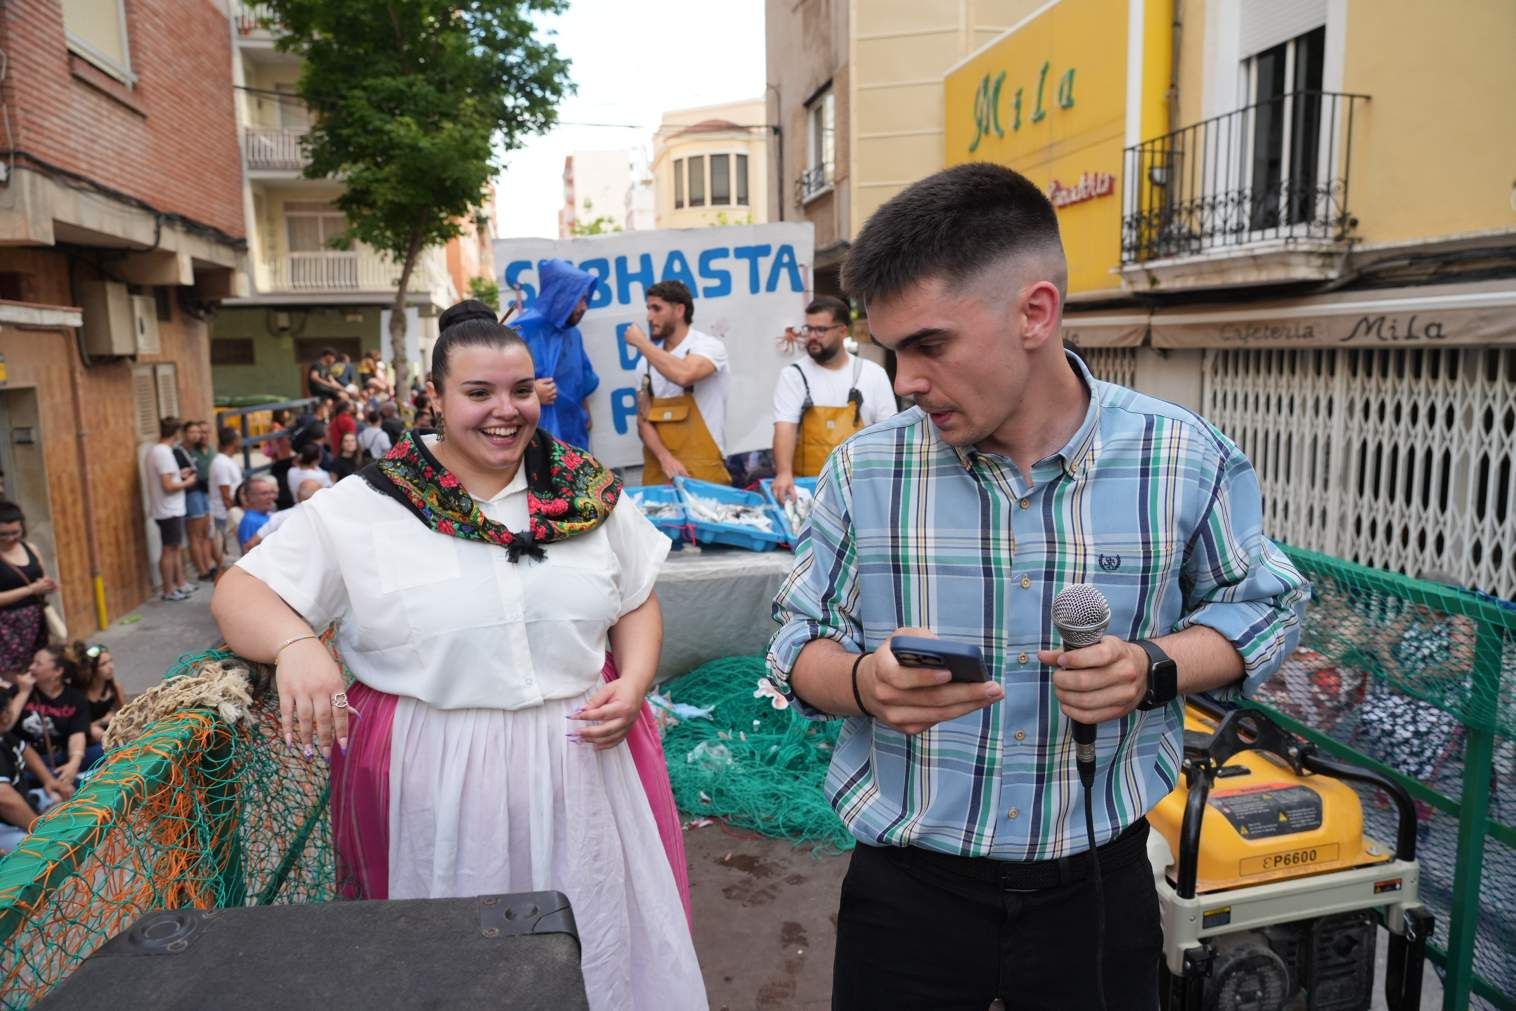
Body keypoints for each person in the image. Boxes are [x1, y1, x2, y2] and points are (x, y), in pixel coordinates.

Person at [764, 163, 1310, 1010]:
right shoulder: (865, 471)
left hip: (1099, 886)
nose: (905, 380)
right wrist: (865, 685)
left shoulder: (1181, 456)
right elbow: (794, 639)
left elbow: (1268, 602)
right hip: (907, 896)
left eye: (930, 345)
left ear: (1035, 312)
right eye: (893, 350)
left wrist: (1154, 666)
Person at [213, 300, 705, 1010]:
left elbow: (634, 599)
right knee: (451, 962)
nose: (505, 410)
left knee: (601, 945)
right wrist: (295, 644)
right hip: (438, 778)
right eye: (478, 392)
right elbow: (240, 590)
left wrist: (634, 680)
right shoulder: (367, 505)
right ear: (436, 399)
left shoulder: (584, 490)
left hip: (584, 767)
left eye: (521, 389)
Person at [770, 295, 899, 504]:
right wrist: (784, 473)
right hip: (806, 491)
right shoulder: (793, 375)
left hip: (861, 489)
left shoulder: (872, 374)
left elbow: (889, 434)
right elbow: (785, 426)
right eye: (808, 329)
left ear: (842, 331)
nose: (812, 336)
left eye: (820, 330)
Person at [624, 280, 732, 486]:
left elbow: (684, 374)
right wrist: (665, 458)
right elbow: (643, 421)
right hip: (660, 472)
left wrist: (641, 343)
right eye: (648, 309)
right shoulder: (644, 365)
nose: (649, 317)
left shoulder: (708, 346)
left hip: (703, 472)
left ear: (680, 310)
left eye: (657, 308)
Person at [511, 258, 601, 450]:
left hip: (573, 430)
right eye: (580, 299)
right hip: (536, 435)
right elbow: (496, 384)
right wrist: (531, 391)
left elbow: (581, 379)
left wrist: (586, 412)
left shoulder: (572, 333)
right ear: (561, 297)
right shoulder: (522, 331)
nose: (585, 307)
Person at [17, 645, 89, 799]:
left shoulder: (75, 698)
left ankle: (68, 781)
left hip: (61, 757)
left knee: (108, 750)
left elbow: (77, 735)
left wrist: (73, 764)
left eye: (38, 664)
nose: (31, 667)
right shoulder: (20, 691)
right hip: (29, 763)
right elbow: (6, 724)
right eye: (32, 662)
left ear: (57, 672)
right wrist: (23, 692)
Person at [0, 502, 57, 676]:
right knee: (13, 676)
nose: (10, 538)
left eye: (15, 533)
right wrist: (31, 589)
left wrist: (47, 586)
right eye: (3, 534)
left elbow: (40, 578)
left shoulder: (31, 548)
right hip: (6, 627)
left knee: (39, 670)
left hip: (35, 621)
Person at [147, 416, 198, 602]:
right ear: (176, 433)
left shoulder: (160, 451)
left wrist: (180, 474)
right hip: (168, 509)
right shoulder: (163, 452)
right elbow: (168, 485)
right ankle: (168, 589)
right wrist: (188, 482)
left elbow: (169, 477)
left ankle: (180, 583)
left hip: (171, 509)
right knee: (169, 549)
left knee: (175, 548)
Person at [74, 642, 124, 769]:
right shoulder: (82, 694)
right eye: (104, 664)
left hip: (110, 735)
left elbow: (126, 715)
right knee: (96, 732)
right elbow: (79, 728)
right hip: (86, 738)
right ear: (92, 669)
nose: (111, 667)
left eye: (110, 661)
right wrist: (102, 721)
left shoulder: (115, 688)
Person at [184, 420, 217, 581]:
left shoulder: (211, 450)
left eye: (205, 432)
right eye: (198, 432)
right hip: (194, 492)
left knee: (205, 533)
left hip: (206, 493)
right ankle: (201, 570)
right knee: (195, 535)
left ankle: (209, 565)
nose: (202, 435)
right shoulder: (190, 452)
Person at [210, 427, 245, 564]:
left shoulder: (227, 461)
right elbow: (225, 494)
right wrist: (234, 515)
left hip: (230, 512)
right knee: (227, 553)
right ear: (233, 441)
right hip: (224, 514)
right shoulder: (221, 463)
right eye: (239, 438)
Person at [236, 476, 279, 552]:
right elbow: (248, 552)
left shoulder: (268, 514)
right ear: (251, 497)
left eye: (271, 492)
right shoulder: (250, 521)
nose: (271, 497)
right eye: (264, 493)